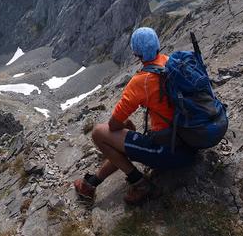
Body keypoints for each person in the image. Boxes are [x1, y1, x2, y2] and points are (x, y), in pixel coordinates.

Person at [74, 27, 196, 205]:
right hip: (192, 142)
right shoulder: (171, 63)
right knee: (126, 141)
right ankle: (90, 184)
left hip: (170, 152)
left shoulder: (141, 81)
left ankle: (139, 184)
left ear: (136, 53)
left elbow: (113, 126)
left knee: (99, 133)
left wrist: (125, 126)